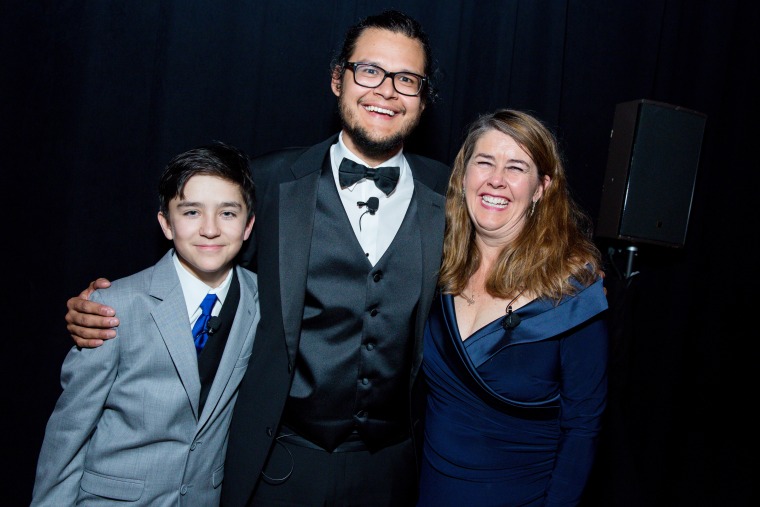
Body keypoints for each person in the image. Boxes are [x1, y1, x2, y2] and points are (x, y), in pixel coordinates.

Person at [63, 10, 450, 507]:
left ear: (423, 99)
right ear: (338, 79)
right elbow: (198, 271)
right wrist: (114, 307)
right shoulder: (268, 184)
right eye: (369, 71)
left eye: (407, 79)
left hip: (394, 472)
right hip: (280, 464)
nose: (387, 90)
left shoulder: (451, 194)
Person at [32, 142, 260, 506]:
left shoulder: (266, 301)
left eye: (228, 213)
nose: (210, 229)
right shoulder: (112, 307)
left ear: (248, 225)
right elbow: (69, 433)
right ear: (166, 224)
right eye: (191, 213)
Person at [417, 109, 608, 507]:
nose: (496, 179)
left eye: (516, 167)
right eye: (484, 162)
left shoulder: (572, 295)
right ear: (464, 175)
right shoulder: (431, 264)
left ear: (541, 187)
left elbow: (582, 430)